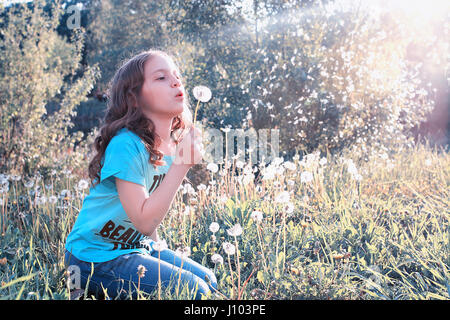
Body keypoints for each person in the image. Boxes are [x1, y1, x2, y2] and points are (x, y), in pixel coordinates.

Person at [64, 49, 217, 300]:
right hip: (93, 257)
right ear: (134, 98)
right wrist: (181, 165)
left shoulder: (168, 145)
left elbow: (150, 210)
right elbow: (144, 220)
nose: (176, 82)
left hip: (136, 247)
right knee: (194, 291)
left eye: (177, 76)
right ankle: (85, 286)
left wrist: (158, 249)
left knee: (209, 281)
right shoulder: (126, 145)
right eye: (161, 78)